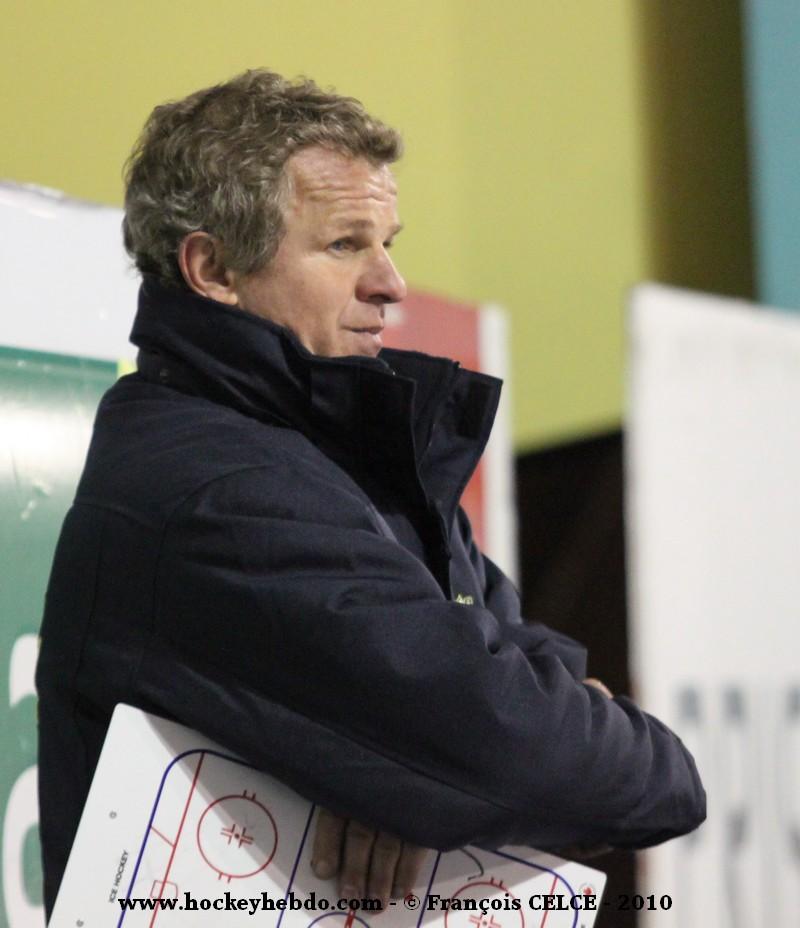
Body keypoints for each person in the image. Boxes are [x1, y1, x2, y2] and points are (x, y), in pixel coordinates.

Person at [36, 69, 705, 919]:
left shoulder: (348, 467)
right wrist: (434, 777)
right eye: (345, 245)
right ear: (212, 268)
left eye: (387, 242)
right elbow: (538, 755)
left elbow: (576, 734)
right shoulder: (218, 492)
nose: (390, 282)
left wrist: (412, 782)